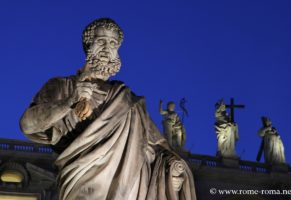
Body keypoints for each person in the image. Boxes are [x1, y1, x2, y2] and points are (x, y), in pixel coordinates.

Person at [20, 18, 196, 200]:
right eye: (101, 41)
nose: (107, 48)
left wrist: (172, 168)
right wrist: (69, 102)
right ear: (89, 45)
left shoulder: (127, 99)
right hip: (80, 183)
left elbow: (158, 145)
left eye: (113, 43)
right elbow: (28, 125)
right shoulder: (62, 86)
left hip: (128, 190)